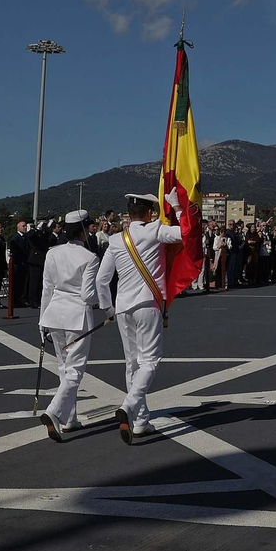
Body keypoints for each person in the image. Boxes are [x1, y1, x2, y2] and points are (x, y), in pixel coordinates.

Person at [95, 190, 192, 444]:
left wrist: (108, 309)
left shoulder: (116, 239)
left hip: (123, 307)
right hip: (148, 304)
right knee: (149, 362)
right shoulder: (155, 230)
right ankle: (129, 406)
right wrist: (177, 208)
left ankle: (141, 420)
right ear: (150, 213)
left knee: (132, 363)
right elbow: (185, 234)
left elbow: (101, 280)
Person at [37, 209, 102, 441]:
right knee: (75, 369)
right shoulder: (90, 257)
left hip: (54, 313)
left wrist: (42, 320)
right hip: (77, 315)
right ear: (84, 230)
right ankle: (54, 411)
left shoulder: (52, 253)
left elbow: (47, 289)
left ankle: (70, 418)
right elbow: (88, 295)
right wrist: (104, 303)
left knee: (63, 367)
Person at [8, 220, 30, 308]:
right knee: (16, 284)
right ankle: (15, 301)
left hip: (24, 264)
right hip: (18, 264)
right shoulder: (15, 237)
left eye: (25, 226)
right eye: (23, 226)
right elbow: (14, 251)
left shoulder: (25, 237)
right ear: (18, 227)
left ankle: (20, 299)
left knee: (22, 284)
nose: (25, 228)